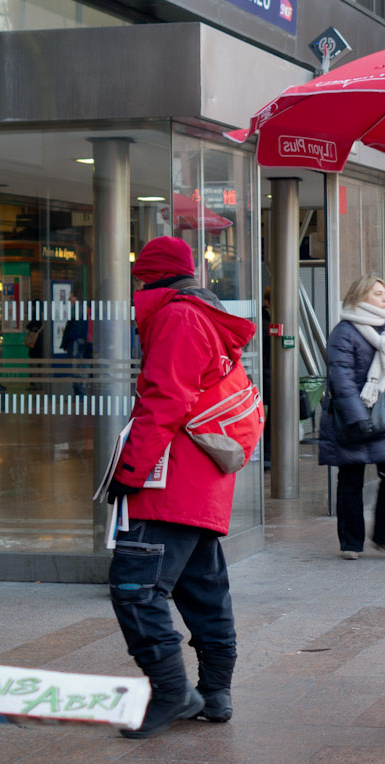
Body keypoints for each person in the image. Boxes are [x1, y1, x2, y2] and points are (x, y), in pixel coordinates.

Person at [102, 236, 255, 737]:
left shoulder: (178, 317)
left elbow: (163, 400)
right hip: (199, 482)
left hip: (173, 481)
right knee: (203, 589)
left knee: (135, 586)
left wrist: (130, 471)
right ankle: (215, 692)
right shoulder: (199, 314)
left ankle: (172, 693)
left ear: (149, 277)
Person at [321, 275, 385, 560]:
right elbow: (341, 378)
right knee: (350, 478)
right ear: (361, 297)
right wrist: (359, 418)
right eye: (379, 293)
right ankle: (350, 543)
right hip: (354, 417)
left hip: (384, 414)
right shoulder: (344, 331)